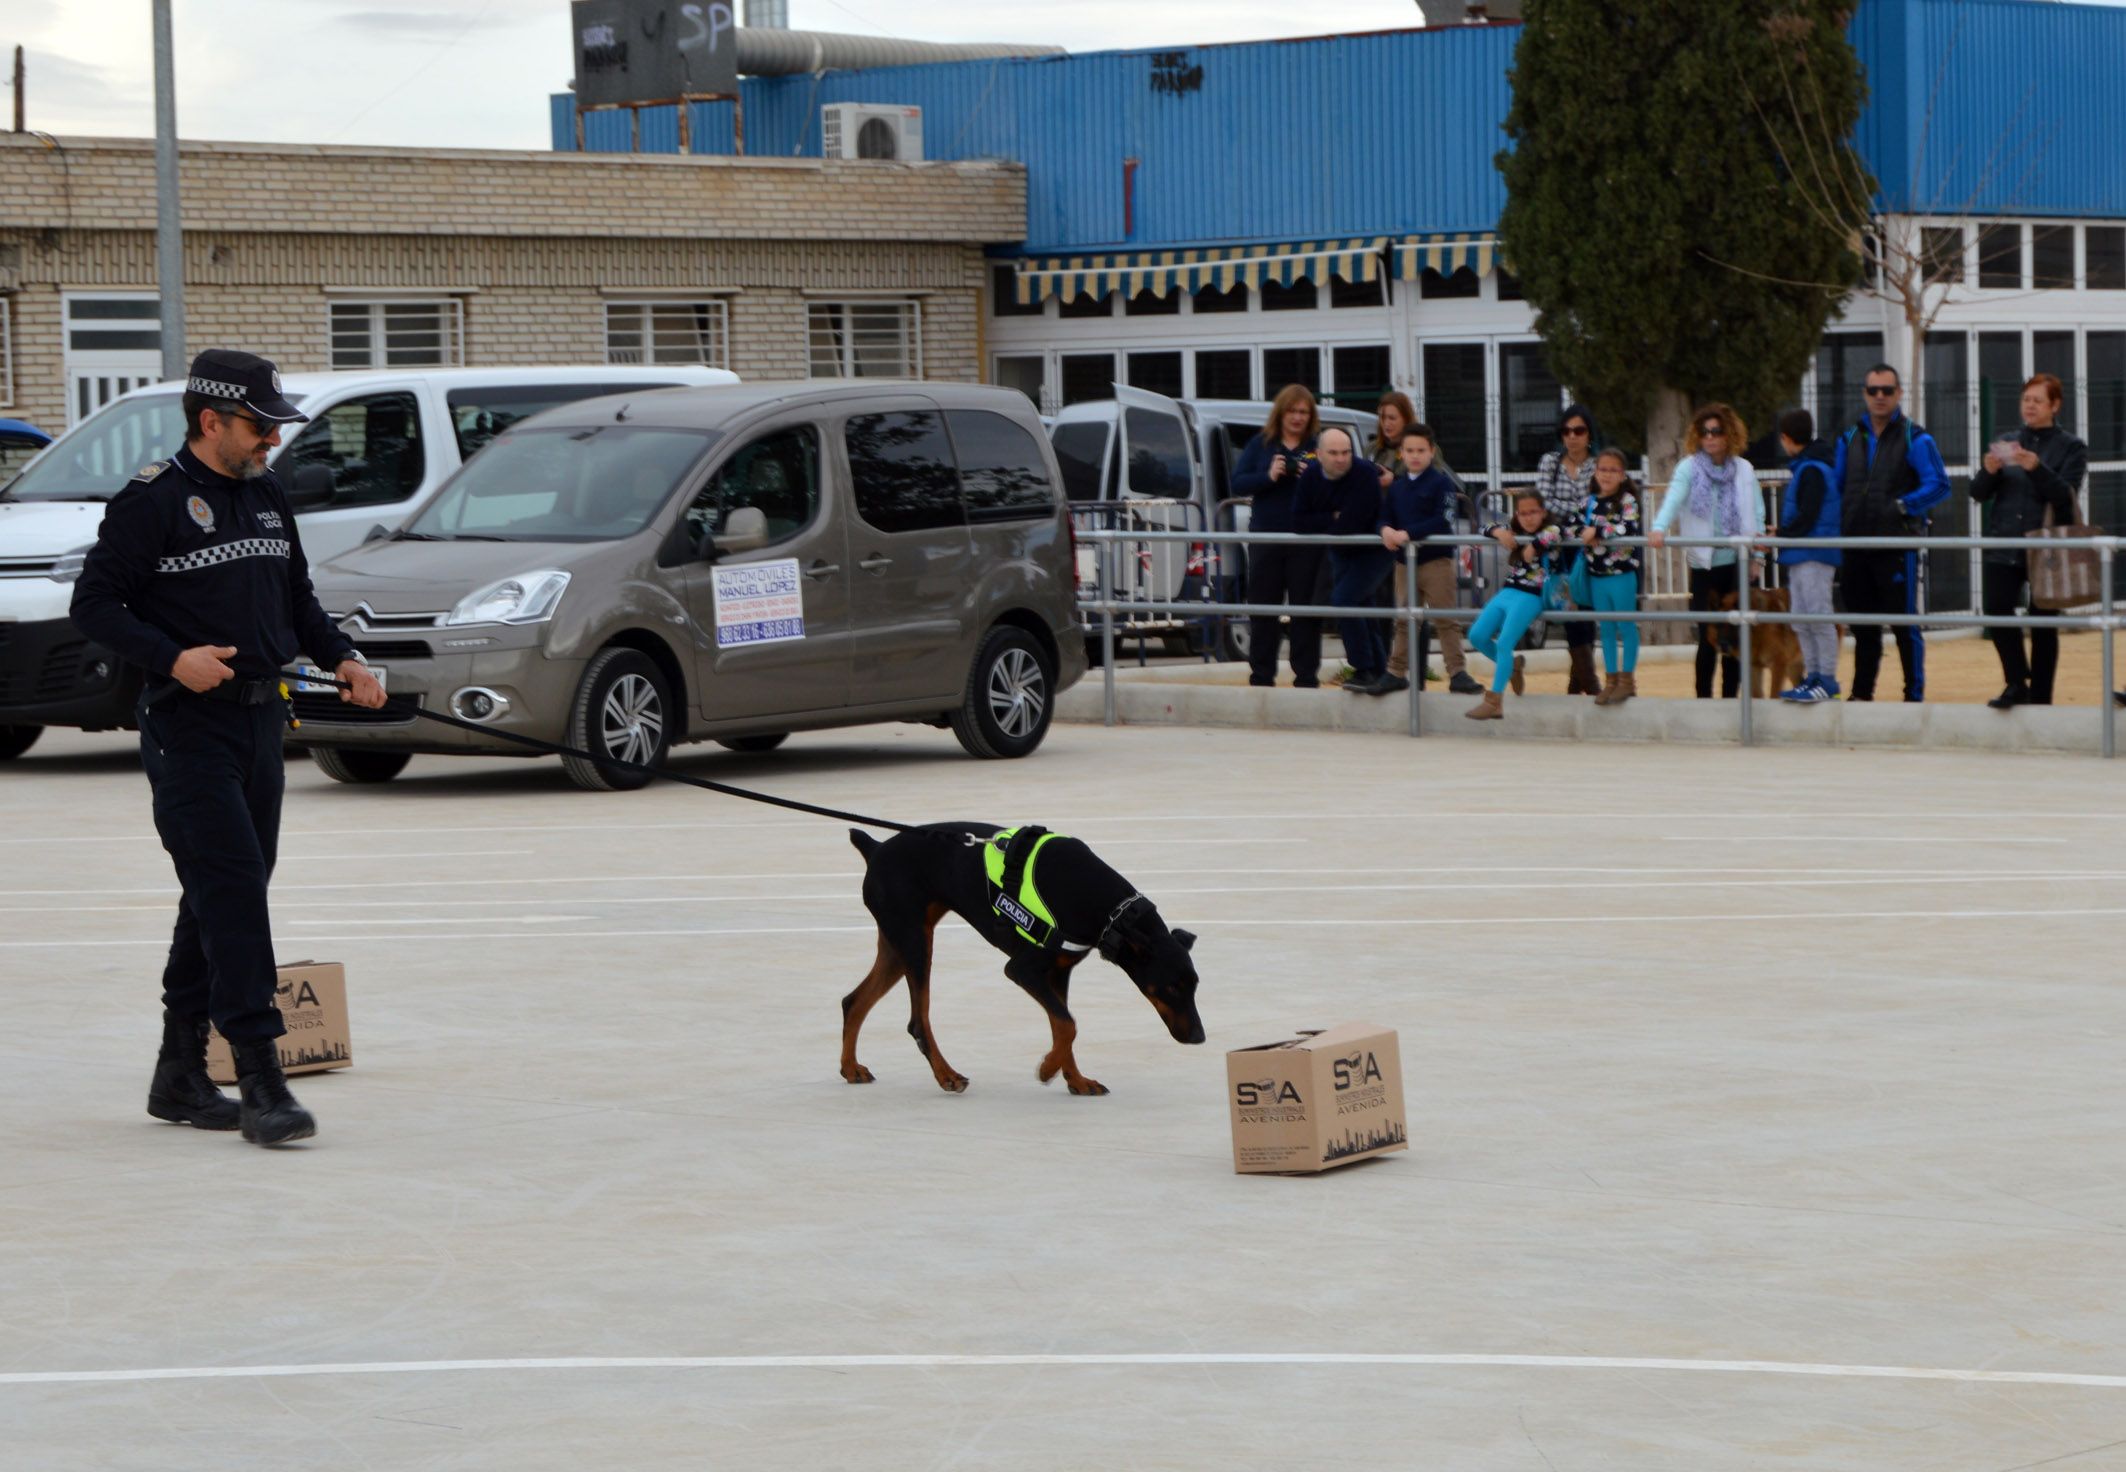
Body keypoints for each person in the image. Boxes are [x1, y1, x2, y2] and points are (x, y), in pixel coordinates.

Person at [69, 349, 387, 1147]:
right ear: (211, 422)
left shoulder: (267, 495)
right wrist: (173, 658)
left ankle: (178, 1075)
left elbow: (297, 600)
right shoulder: (154, 503)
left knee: (217, 898)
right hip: (187, 729)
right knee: (236, 891)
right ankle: (260, 1078)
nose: (270, 442)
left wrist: (342, 657)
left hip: (257, 725)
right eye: (258, 427)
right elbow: (93, 603)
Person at [1831, 363, 1949, 702]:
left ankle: (1913, 696)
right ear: (1864, 394)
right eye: (1873, 391)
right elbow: (1837, 488)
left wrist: (1903, 506)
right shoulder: (1849, 437)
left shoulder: (1916, 437)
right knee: (1864, 626)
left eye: (1887, 390)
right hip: (1854, 546)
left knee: (1904, 625)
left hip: (1897, 546)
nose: (1880, 397)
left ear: (1899, 394)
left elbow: (1938, 485)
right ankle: (1861, 695)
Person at [1970, 372, 2088, 708]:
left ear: (2055, 405)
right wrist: (1988, 471)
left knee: (2043, 622)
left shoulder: (2072, 447)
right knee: (1996, 608)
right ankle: (2016, 680)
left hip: (2047, 544)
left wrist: (2036, 468)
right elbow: (1978, 493)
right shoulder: (2008, 441)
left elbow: (2066, 495)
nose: (2030, 406)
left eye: (2038, 400)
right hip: (2004, 540)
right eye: (2026, 399)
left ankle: (2041, 698)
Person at [1649, 402, 1765, 699]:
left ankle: (1729, 701)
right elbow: (1674, 499)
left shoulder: (1744, 469)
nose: (1710, 437)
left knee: (1735, 636)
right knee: (1707, 638)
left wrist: (1758, 557)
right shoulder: (1688, 468)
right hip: (1704, 565)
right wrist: (1659, 527)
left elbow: (1757, 512)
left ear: (1729, 434)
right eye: (1704, 432)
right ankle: (1703, 700)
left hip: (1737, 561)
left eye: (1716, 431)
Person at [1230, 384, 1324, 687]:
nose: (1297, 417)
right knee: (1263, 608)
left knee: (1305, 611)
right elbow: (1237, 483)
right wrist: (1269, 476)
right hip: (1267, 538)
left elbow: (1336, 485)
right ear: (1280, 412)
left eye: (1303, 412)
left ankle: (1307, 676)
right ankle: (1261, 675)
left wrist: (1313, 475)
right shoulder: (1262, 444)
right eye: (1292, 411)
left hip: (1306, 540)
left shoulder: (1319, 445)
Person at [1379, 424, 1477, 694]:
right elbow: (1385, 515)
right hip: (1404, 563)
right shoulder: (1397, 487)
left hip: (1436, 563)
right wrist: (1385, 530)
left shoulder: (1441, 482)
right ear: (1401, 453)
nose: (1415, 455)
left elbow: (1442, 520)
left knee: (1445, 619)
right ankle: (1396, 672)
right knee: (1404, 619)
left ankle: (1457, 673)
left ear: (1432, 452)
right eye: (1409, 450)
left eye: (1421, 450)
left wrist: (1407, 534)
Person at [1302, 427, 1396, 695]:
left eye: (1346, 453)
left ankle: (1363, 668)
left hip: (1374, 550)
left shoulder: (1365, 472)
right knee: (1361, 606)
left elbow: (1356, 519)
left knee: (1345, 600)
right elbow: (1299, 519)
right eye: (1333, 453)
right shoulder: (1311, 476)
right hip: (1341, 551)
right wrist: (1331, 518)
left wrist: (1327, 519)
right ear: (1319, 455)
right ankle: (1378, 669)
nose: (1341, 458)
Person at [1464, 490, 1560, 720]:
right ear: (1517, 514)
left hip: (1532, 595)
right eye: (1523, 513)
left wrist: (1534, 544)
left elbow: (1556, 532)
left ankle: (1494, 700)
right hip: (1508, 591)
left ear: (1543, 512)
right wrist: (1499, 531)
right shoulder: (1513, 528)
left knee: (1505, 642)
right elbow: (1482, 527)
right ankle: (1513, 666)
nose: (1528, 518)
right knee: (1477, 635)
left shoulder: (1550, 530)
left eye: (1534, 512)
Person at [1774, 408, 1844, 704]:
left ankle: (1826, 678)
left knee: (1818, 616)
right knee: (1802, 619)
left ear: (1787, 438)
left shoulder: (1812, 468)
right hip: (1802, 552)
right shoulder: (1807, 466)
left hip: (1815, 552)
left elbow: (1808, 516)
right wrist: (1783, 533)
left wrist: (1780, 535)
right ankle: (1813, 676)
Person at [1533, 404, 1602, 695]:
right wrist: (1577, 516)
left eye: (1579, 430)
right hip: (1558, 550)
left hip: (1588, 549)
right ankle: (1591, 683)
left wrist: (1571, 517)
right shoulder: (1550, 461)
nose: (1572, 437)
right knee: (1570, 612)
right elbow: (1542, 500)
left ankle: (1577, 684)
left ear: (1589, 434)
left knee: (1587, 613)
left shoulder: (1599, 464)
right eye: (1566, 431)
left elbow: (1598, 502)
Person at [1579, 448, 1643, 707]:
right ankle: (1611, 680)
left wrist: (1598, 530)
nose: (1607, 474)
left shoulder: (1627, 500)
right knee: (1605, 628)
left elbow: (1628, 526)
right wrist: (1584, 530)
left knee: (1626, 626)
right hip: (1596, 575)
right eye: (1602, 469)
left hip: (1621, 574)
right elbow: (1573, 525)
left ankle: (1627, 681)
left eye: (1613, 470)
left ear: (1623, 474)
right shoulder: (1589, 502)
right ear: (1595, 472)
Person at [1369, 391, 1418, 486]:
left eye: (1392, 418)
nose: (1386, 423)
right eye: (1382, 417)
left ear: (1406, 419)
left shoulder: (1422, 449)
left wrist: (1394, 480)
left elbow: (1431, 486)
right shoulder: (1372, 449)